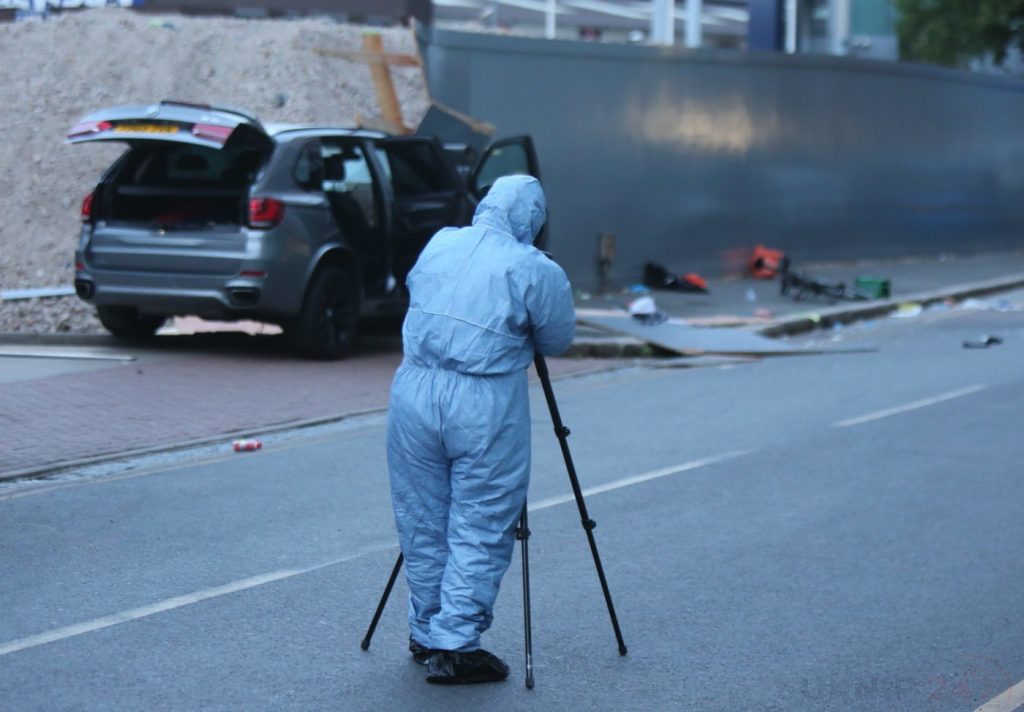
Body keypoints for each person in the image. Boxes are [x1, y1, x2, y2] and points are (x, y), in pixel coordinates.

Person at [386, 175, 575, 685]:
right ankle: (455, 642)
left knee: (423, 517)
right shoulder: (535, 268)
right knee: (481, 519)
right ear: (532, 220)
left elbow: (416, 288)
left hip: (413, 391)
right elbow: (556, 339)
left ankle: (425, 631)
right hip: (483, 399)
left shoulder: (442, 241)